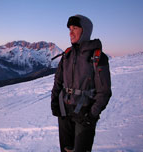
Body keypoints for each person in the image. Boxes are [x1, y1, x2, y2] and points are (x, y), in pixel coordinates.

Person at [51, 14, 112, 152]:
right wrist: (54, 102)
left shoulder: (97, 57)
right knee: (65, 149)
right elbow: (58, 82)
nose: (70, 33)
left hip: (85, 114)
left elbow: (104, 92)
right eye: (69, 29)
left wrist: (92, 115)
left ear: (84, 30)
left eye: (74, 28)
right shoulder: (67, 55)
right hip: (64, 111)